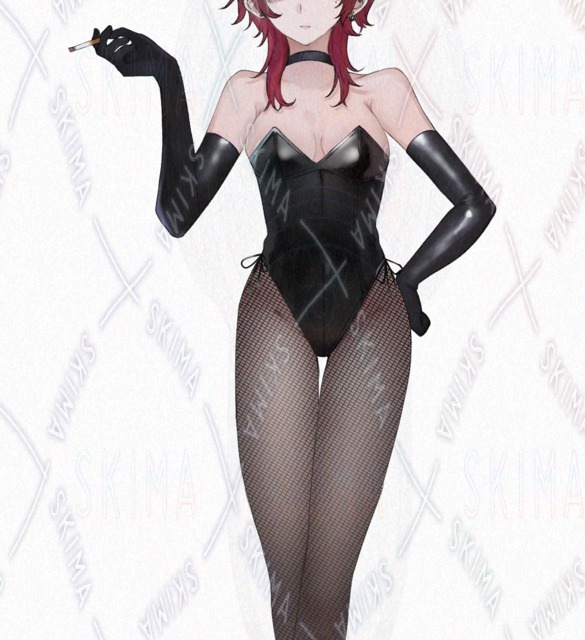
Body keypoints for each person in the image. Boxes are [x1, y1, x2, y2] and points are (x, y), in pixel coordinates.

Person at [92, 1, 495, 638]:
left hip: (372, 315)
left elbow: (473, 203)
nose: (304, 5)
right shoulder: (246, 95)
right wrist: (167, 76)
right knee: (287, 592)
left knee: (325, 596)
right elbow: (178, 212)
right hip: (275, 309)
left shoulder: (384, 91)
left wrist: (409, 281)